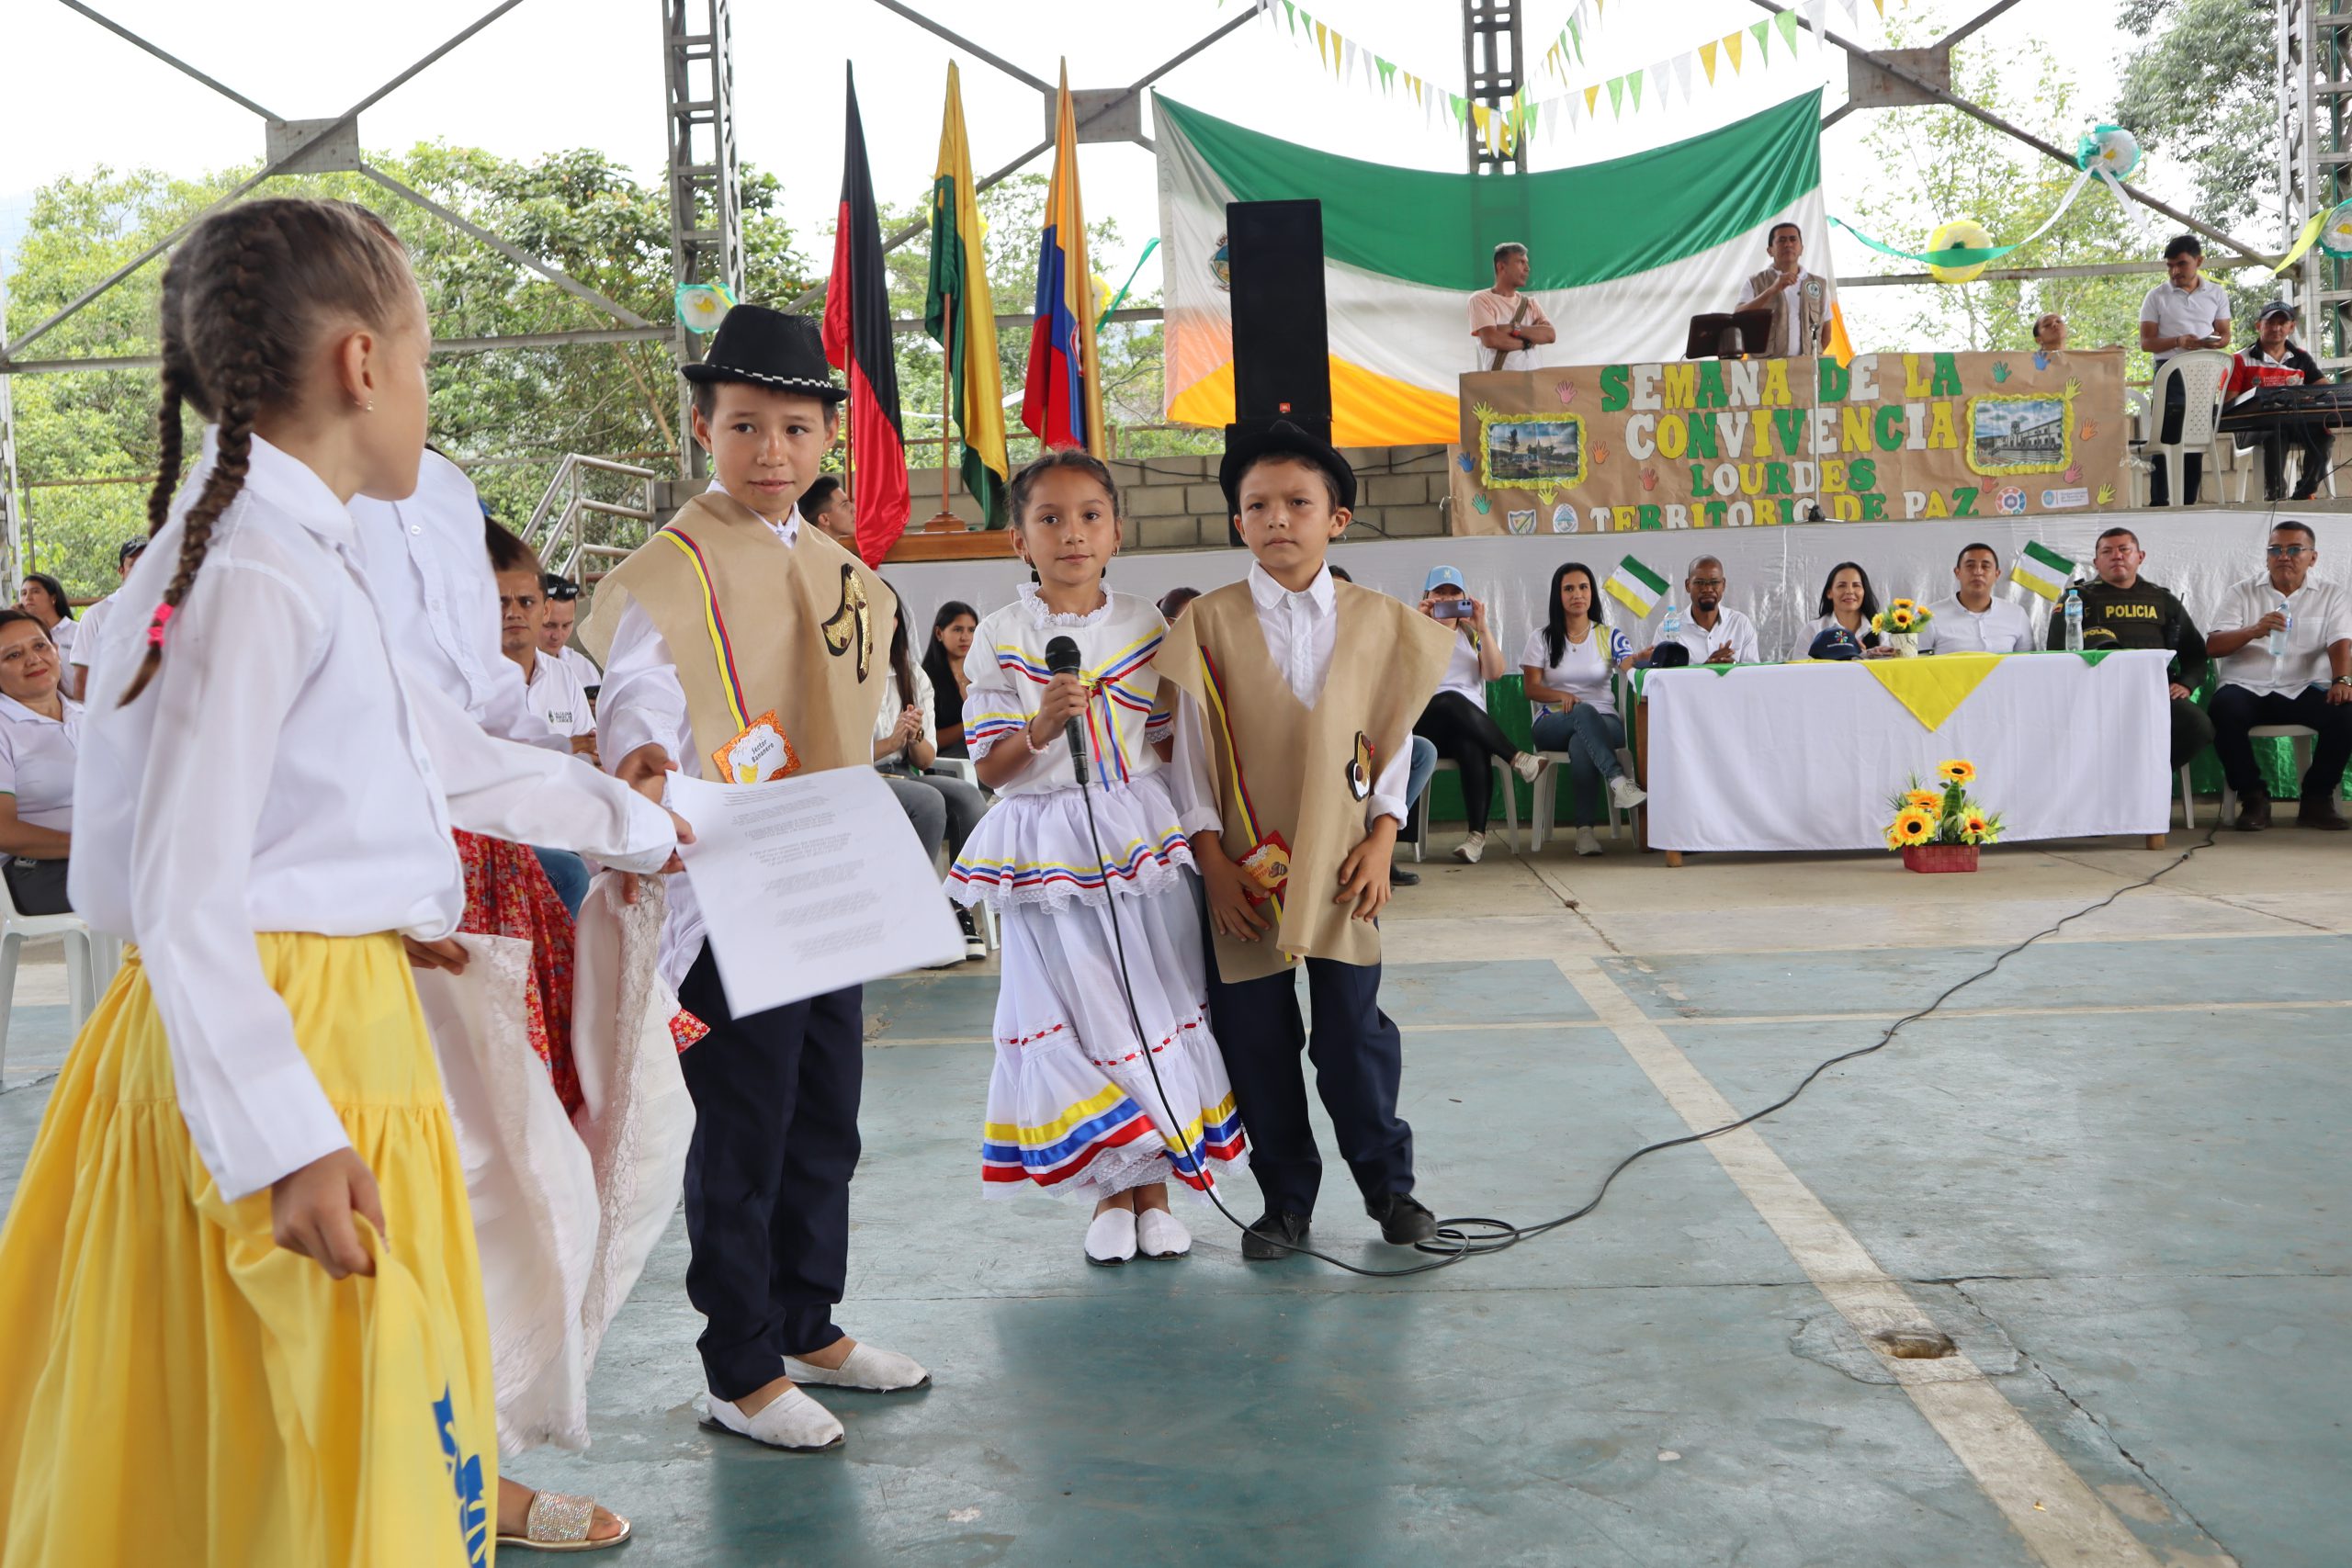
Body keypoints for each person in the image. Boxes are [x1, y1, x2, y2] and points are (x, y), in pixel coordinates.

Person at [0, 196, 682, 1564]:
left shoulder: (284, 545)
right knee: (319, 1453)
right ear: (362, 364)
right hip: (294, 1044)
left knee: (279, 1451)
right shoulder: (255, 566)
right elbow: (185, 881)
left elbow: (433, 765)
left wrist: (646, 824)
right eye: (426, 359)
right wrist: (284, 1133)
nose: (426, 395)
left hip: (329, 1016)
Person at [582, 303, 927, 1454]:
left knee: (826, 1111)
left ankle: (804, 1321)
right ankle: (736, 1365)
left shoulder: (836, 568)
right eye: (743, 426)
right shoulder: (673, 565)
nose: (768, 451)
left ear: (827, 439)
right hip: (720, 883)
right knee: (744, 1122)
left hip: (816, 871)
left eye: (791, 427)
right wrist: (640, 763)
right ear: (703, 429)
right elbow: (637, 693)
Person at [1160, 419, 1458, 1261]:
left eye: (1299, 502)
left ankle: (1390, 1191)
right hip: (1241, 871)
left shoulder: (1380, 623)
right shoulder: (1205, 626)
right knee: (1256, 1038)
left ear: (1338, 517)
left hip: (1341, 862)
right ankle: (1285, 1199)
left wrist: (1383, 836)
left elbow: (1393, 742)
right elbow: (1190, 756)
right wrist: (1210, 861)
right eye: (1258, 505)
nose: (1278, 519)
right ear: (1236, 522)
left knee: (1351, 1037)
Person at [946, 450, 1246, 1265]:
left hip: (1138, 839)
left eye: (1088, 516)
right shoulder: (1001, 637)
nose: (1070, 533)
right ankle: (1111, 1191)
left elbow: (1168, 740)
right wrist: (1040, 728)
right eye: (1048, 517)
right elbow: (988, 767)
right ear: (1018, 539)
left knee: (1154, 998)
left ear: (1116, 530)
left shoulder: (1149, 624)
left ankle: (1160, 1190)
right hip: (1044, 844)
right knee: (1076, 1011)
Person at [2201, 521, 2352, 830]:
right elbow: (2214, 646)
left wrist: (2342, 681)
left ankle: (2316, 799)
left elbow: (2340, 642)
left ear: (2313, 557)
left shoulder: (2331, 594)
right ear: (2267, 556)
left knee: (2346, 712)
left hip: (2303, 687)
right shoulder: (2241, 592)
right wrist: (2254, 630)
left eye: (2295, 549)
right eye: (2276, 550)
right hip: (2247, 687)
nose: (2284, 556)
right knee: (2223, 709)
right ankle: (2254, 798)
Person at [875, 580, 989, 962]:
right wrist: (891, 743)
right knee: (928, 800)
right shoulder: (845, 675)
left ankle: (958, 908)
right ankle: (912, 916)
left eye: (887, 614)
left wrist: (911, 736)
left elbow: (924, 760)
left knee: (968, 797)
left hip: (903, 770)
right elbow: (838, 755)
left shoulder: (909, 674)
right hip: (860, 775)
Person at [2045, 526, 2214, 771]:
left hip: (2154, 694)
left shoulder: (2162, 600)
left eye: (2124, 549)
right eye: (2107, 551)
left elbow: (2196, 653)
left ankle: (2145, 774)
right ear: (2096, 562)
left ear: (2140, 556)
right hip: (2096, 697)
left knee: (2198, 726)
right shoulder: (2076, 599)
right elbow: (2056, 652)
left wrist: (2186, 682)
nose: (2117, 556)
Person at [1413, 564, 1544, 864]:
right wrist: (1418, 623)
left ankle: (1476, 837)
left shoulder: (1471, 635)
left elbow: (1495, 673)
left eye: (1453, 593)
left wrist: (1482, 625)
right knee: (1448, 698)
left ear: (1464, 598)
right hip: (1427, 724)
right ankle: (1517, 758)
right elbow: (1400, 675)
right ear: (1428, 597)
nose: (1446, 598)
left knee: (1472, 745)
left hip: (1468, 727)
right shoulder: (1415, 628)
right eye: (1439, 593)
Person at [1520, 561, 1643, 858]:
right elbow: (1531, 689)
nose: (1578, 594)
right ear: (1558, 595)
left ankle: (1585, 832)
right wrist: (1561, 695)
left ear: (1592, 594)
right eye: (1569, 588)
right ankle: (1617, 781)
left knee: (1582, 737)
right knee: (1582, 712)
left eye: (1584, 587)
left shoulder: (1610, 635)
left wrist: (1642, 659)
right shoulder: (1541, 638)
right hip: (1552, 722)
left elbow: (1630, 666)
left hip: (1606, 723)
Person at [2139, 234, 2233, 507]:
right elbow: (2147, 343)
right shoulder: (2156, 296)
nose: (2175, 272)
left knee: (2196, 437)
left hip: (2203, 373)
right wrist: (2179, 341)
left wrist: (2209, 341)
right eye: (2170, 266)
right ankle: (2160, 502)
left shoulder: (2216, 293)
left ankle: (2188, 503)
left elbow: (2225, 335)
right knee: (2166, 437)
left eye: (2181, 264)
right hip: (2169, 372)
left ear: (2199, 261)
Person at [0, 610, 79, 914]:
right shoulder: (6, 728)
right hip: (32, 871)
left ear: (57, 650)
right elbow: (4, 831)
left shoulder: (88, 716)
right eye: (13, 655)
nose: (33, 659)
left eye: (40, 646)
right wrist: (87, 845)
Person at [2225, 301, 2330, 502]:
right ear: (2259, 326)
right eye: (2270, 322)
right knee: (2276, 432)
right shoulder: (2240, 360)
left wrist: (2308, 397)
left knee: (2323, 435)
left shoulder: (2301, 358)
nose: (2276, 328)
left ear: (2291, 327)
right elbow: (2230, 404)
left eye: (2282, 323)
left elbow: (2324, 390)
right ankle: (2275, 496)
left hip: (2294, 424)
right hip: (2250, 428)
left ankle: (2305, 492)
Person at [1632, 557, 1760, 667]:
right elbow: (1661, 679)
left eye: (1714, 582)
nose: (1707, 589)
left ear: (1723, 585)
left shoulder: (1740, 624)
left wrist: (1733, 668)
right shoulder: (1668, 628)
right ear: (1688, 585)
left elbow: (1754, 677)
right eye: (1699, 583)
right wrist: (1706, 670)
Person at [63, 537, 144, 702]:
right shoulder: (96, 615)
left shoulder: (170, 610)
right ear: (121, 571)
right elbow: (82, 678)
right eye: (134, 565)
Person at [1734, 222, 1832, 356]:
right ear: (1770, 251)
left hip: (1806, 369)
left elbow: (1826, 332)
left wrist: (1812, 357)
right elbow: (1738, 317)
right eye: (1781, 240)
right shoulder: (1755, 282)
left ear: (1801, 249)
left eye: (1793, 239)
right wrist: (1771, 290)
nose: (1788, 244)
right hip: (1766, 370)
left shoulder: (1818, 284)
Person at [1922, 543, 2038, 654]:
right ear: (1957, 573)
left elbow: (2027, 664)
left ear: (1997, 574)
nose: (1978, 572)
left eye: (1985, 566)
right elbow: (1915, 665)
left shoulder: (2016, 614)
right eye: (1970, 566)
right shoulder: (1929, 616)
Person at [1469, 242, 1556, 372]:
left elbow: (1550, 335)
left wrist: (1513, 328)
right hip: (1500, 387)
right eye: (1521, 262)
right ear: (1501, 267)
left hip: (1533, 386)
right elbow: (1492, 339)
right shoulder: (1481, 299)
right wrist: (1528, 342)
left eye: (1527, 263)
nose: (1527, 268)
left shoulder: (1530, 303)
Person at [922, 598, 978, 757]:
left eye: (972, 630)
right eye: (958, 629)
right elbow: (925, 740)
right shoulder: (925, 678)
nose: (965, 637)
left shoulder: (982, 675)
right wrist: (971, 724)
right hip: (947, 760)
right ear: (939, 633)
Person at [1806, 561, 1892, 658]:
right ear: (1829, 593)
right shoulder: (1813, 630)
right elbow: (1798, 670)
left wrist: (1868, 657)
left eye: (1856, 585)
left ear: (1864, 591)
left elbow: (1889, 671)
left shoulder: (1882, 633)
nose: (1849, 591)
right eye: (1841, 586)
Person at [541, 571, 604, 695]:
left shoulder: (584, 669)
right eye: (549, 625)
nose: (557, 636)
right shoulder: (508, 669)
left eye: (566, 625)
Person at [16, 572, 75, 671]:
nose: (28, 597)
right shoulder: (22, 636)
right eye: (24, 593)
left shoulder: (78, 631)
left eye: (35, 591)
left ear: (53, 598)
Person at [797, 472, 856, 547]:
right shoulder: (814, 555)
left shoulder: (837, 553)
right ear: (825, 519)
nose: (854, 508)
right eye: (844, 505)